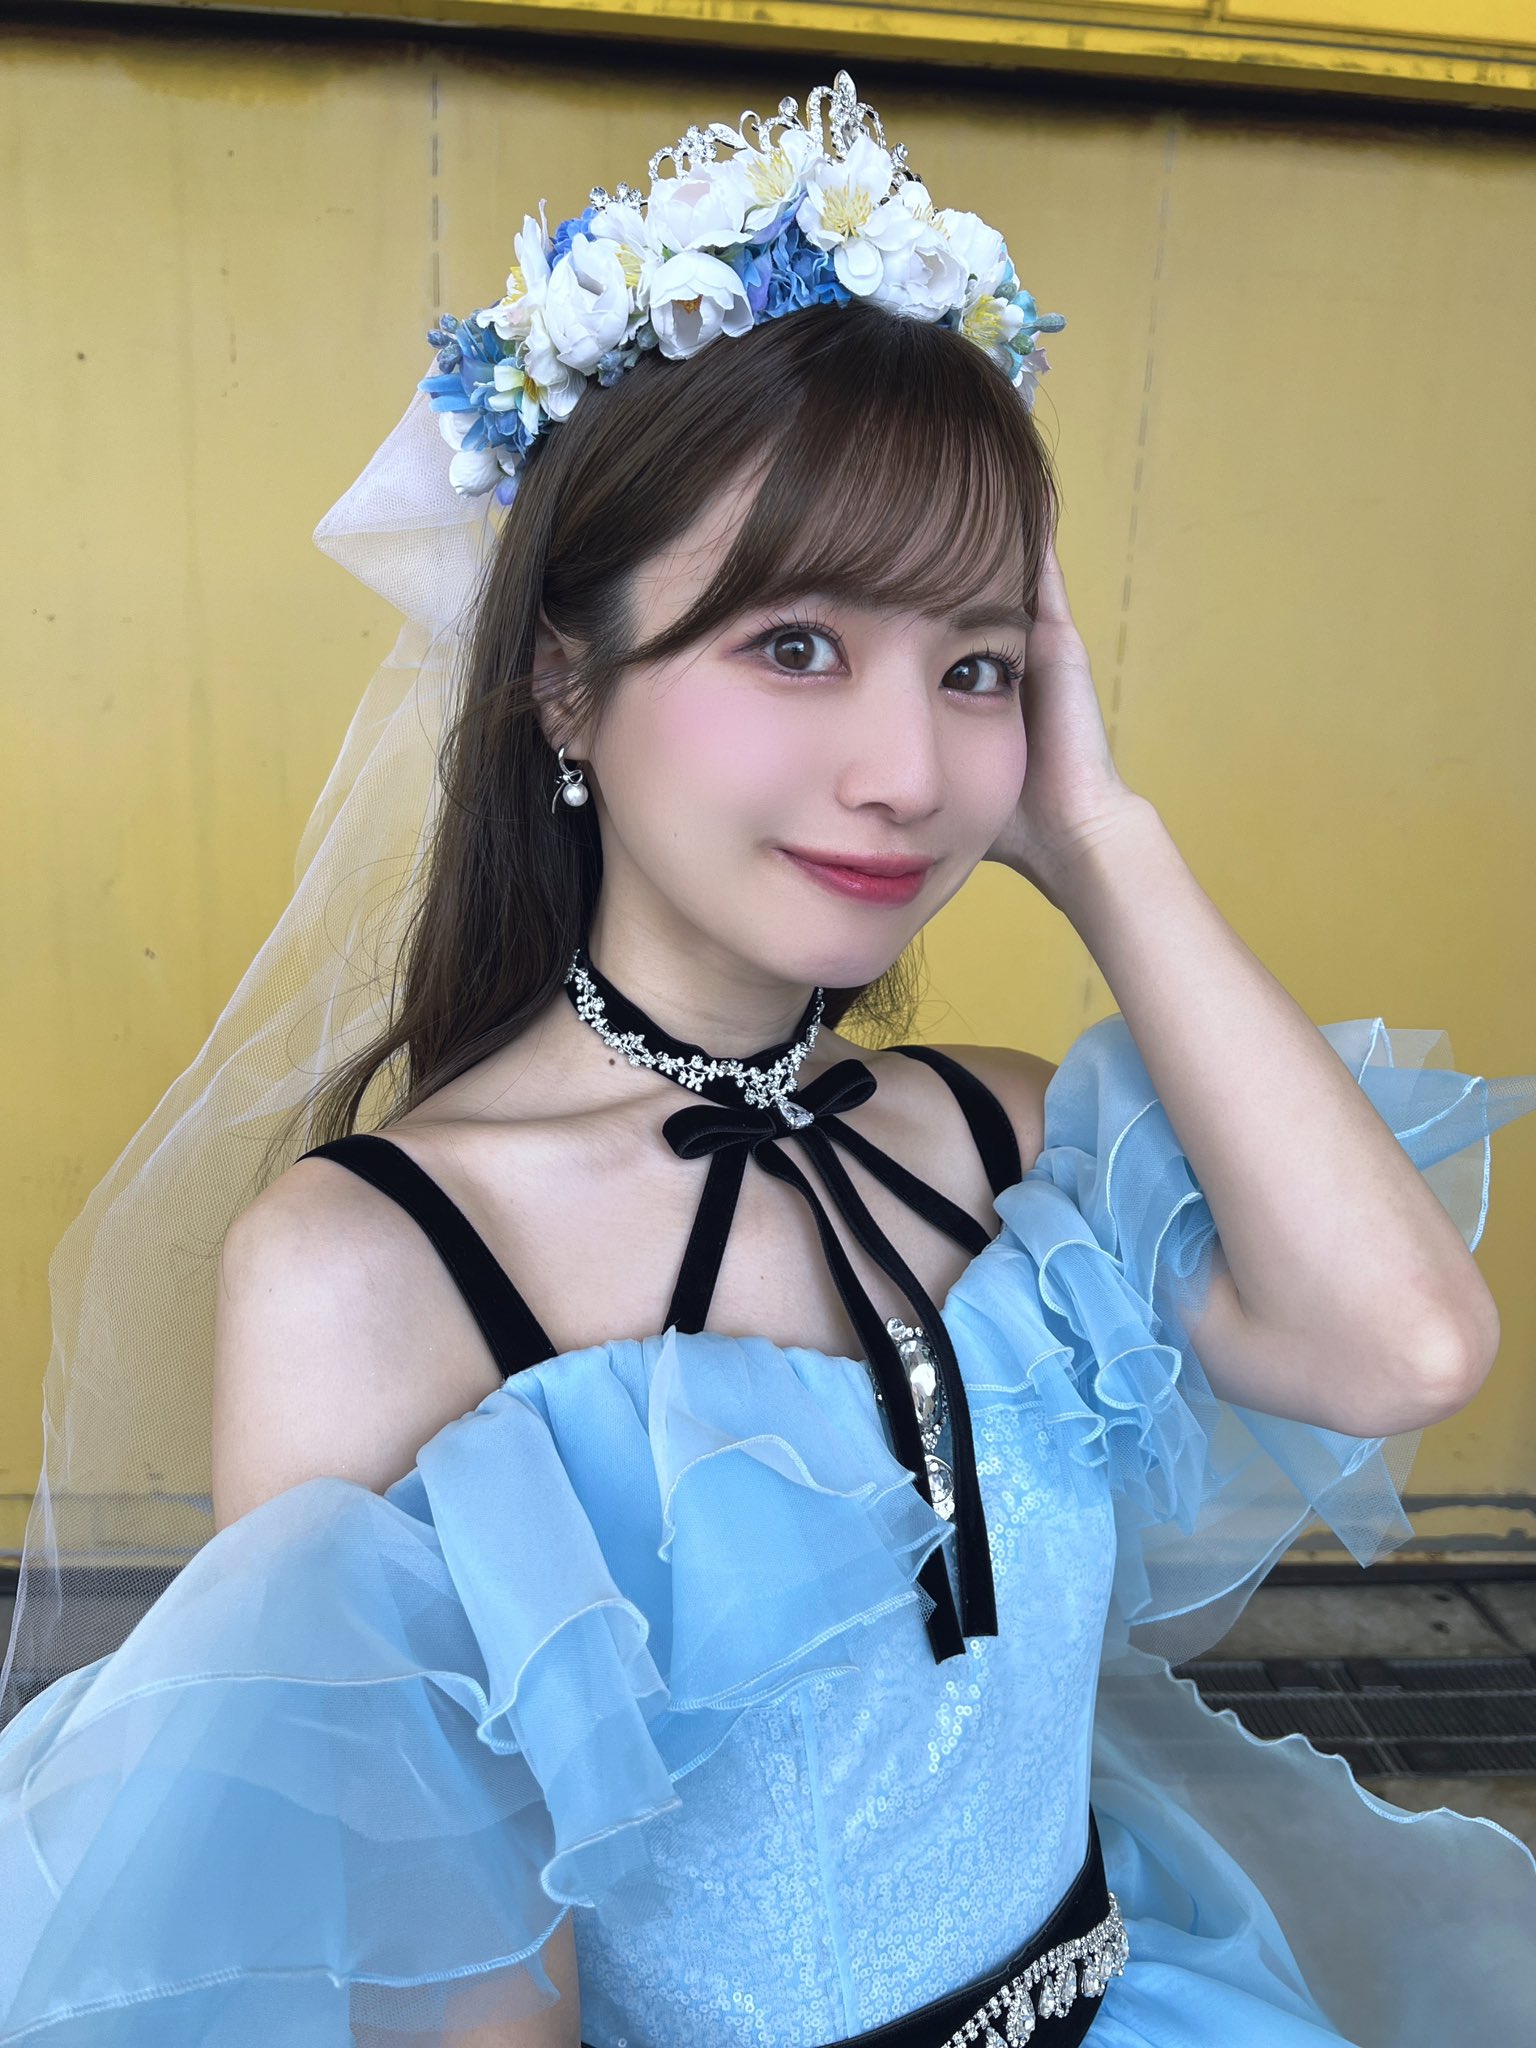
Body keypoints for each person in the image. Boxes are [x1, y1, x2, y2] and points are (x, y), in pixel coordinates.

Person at [1, 65, 1534, 2048]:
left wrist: (1100, 837)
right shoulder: (373, 1270)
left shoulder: (1002, 1131)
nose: (907, 771)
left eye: (976, 667)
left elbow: (1404, 1347)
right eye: (795, 643)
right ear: (565, 679)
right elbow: (461, 2003)